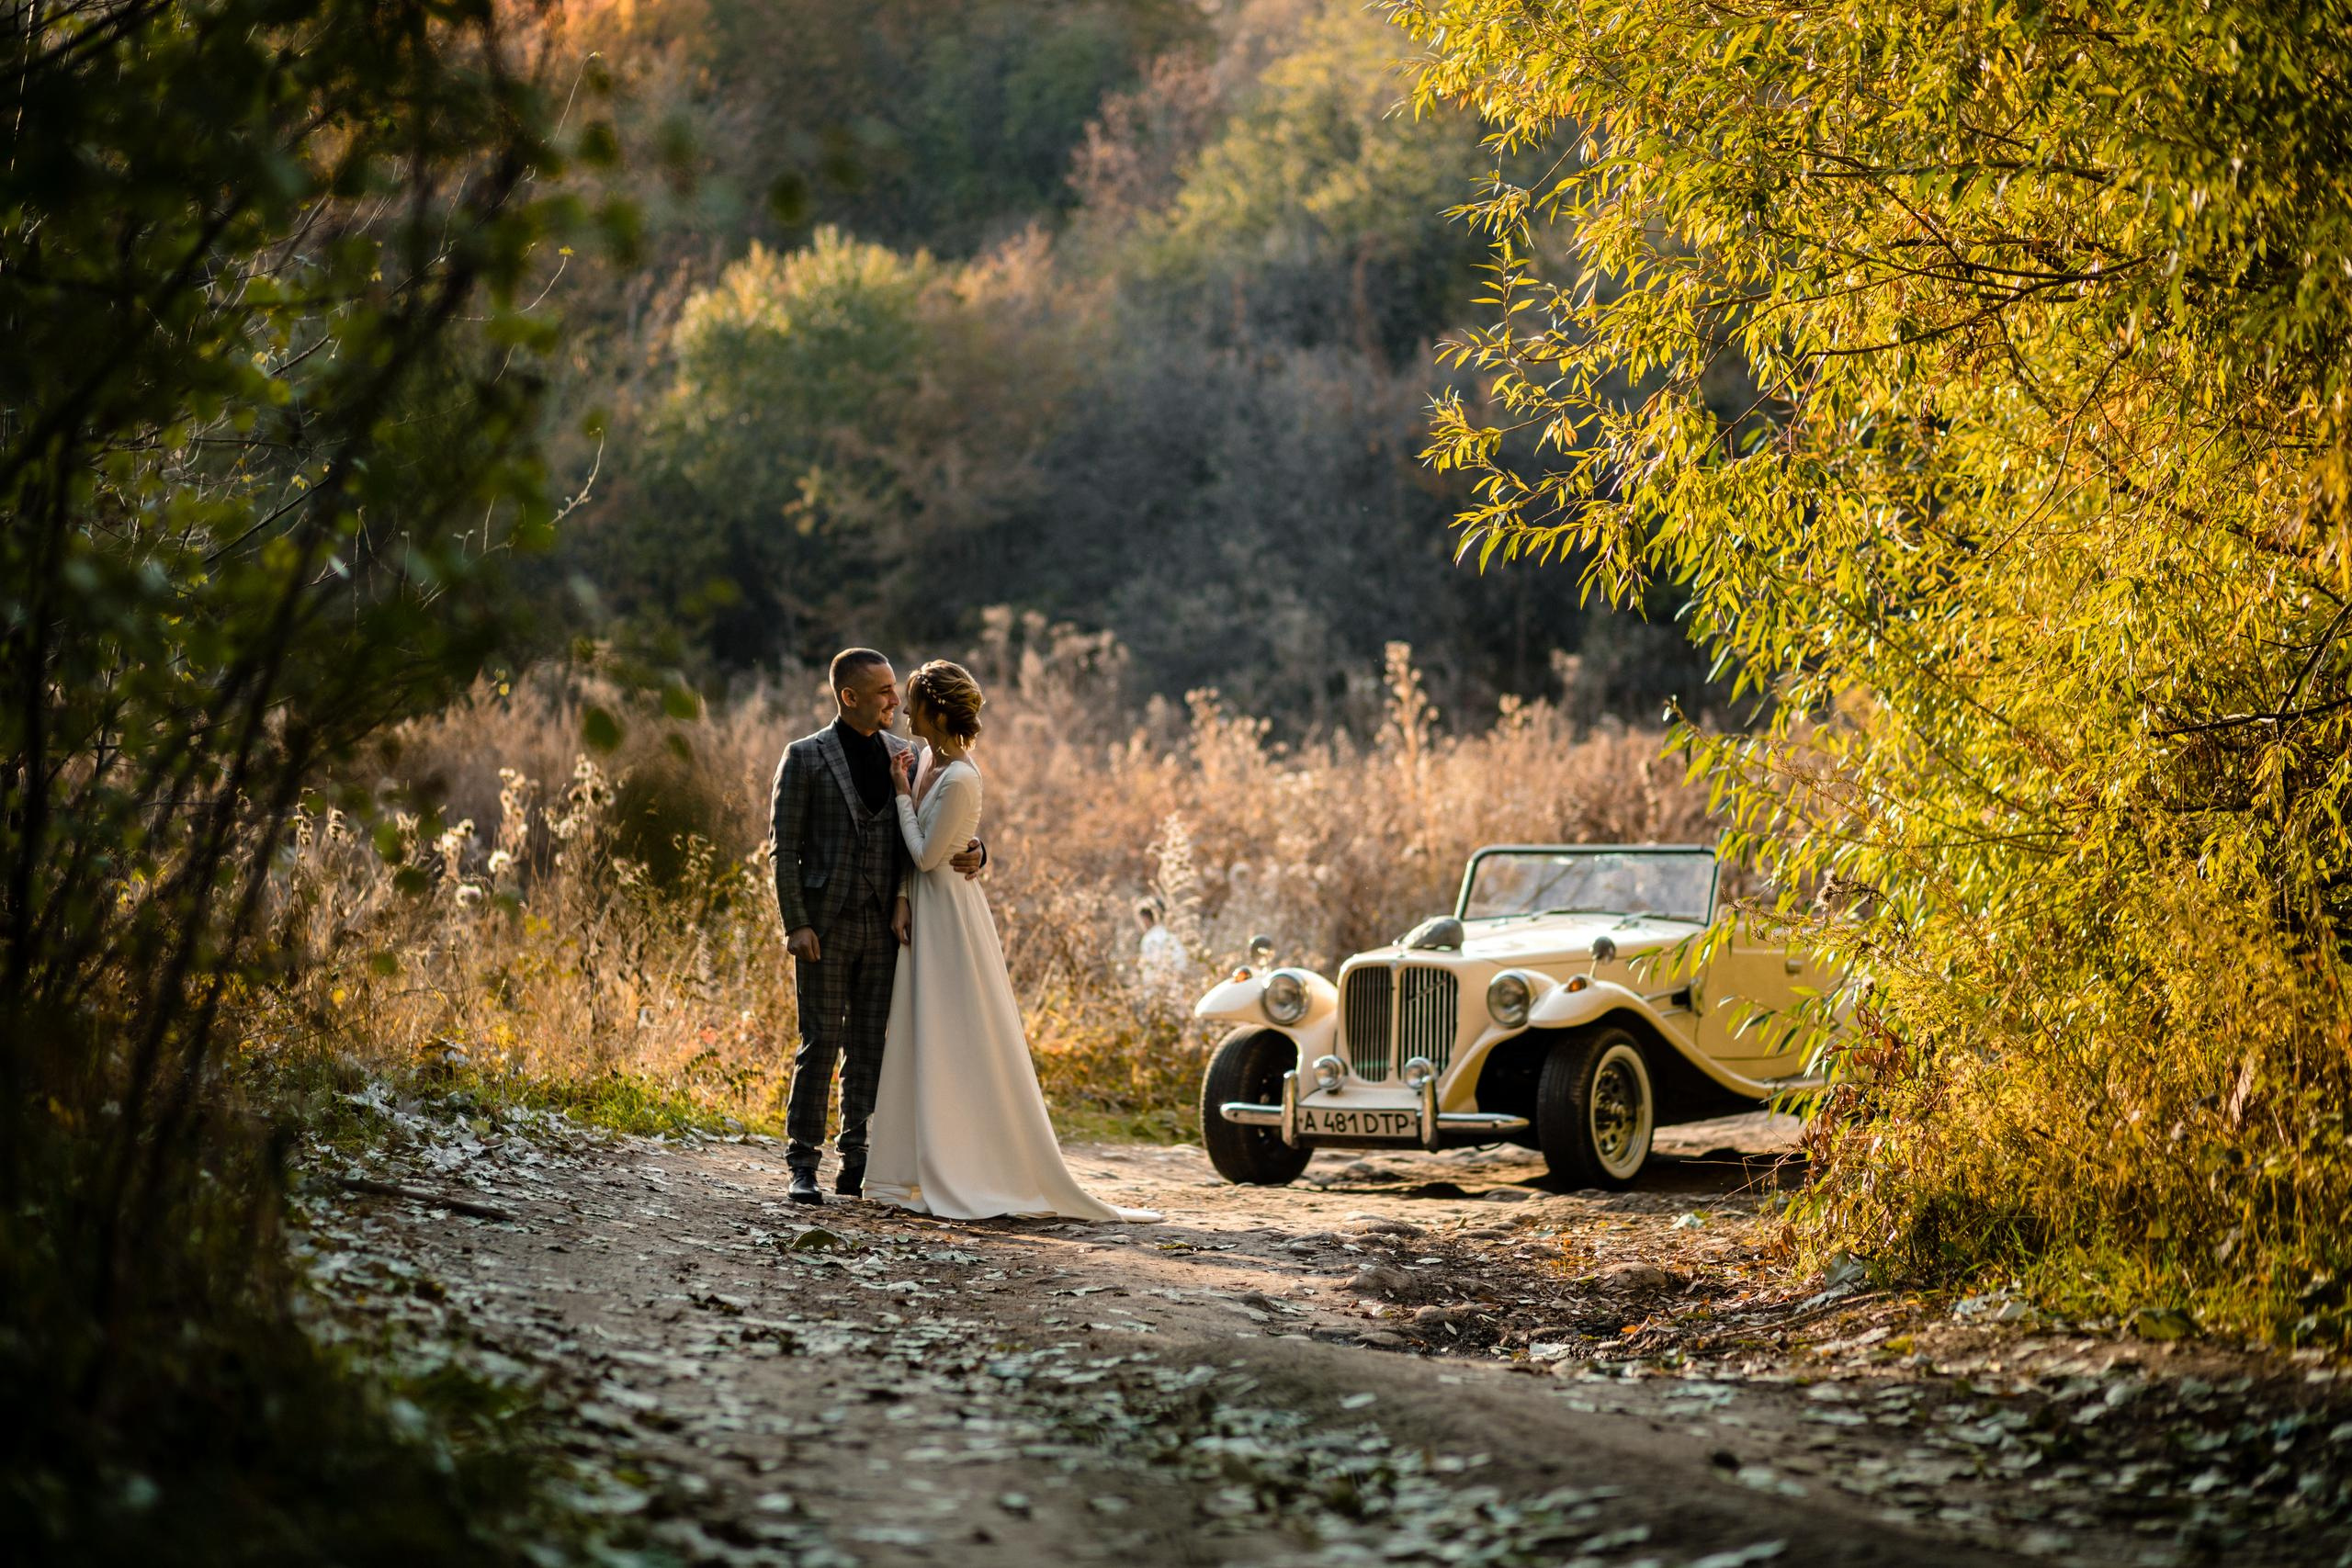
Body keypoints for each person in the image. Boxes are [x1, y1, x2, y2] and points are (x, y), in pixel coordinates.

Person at [864, 660, 1160, 1223]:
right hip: (922, 910)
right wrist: (902, 896)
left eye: (913, 703)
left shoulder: (962, 777)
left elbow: (928, 854)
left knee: (956, 1037)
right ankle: (913, 1167)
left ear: (937, 710)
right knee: (921, 1035)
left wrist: (902, 793)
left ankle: (968, 1167)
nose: (903, 711)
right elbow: (920, 857)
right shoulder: (927, 757)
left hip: (951, 918)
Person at [768, 649, 985, 1206]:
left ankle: (856, 1157)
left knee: (871, 1047)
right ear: (850, 697)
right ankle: (803, 1164)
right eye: (886, 691)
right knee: (819, 1043)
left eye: (896, 689)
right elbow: (784, 849)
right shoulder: (805, 758)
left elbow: (942, 822)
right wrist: (796, 923)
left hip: (888, 928)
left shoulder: (906, 755)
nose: (897, 700)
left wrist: (979, 851)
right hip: (825, 928)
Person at [1136, 900, 1190, 998]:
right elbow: (1182, 962)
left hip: (1157, 990)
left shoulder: (1149, 939)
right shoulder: (1171, 936)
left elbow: (1150, 969)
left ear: (1146, 918)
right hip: (1174, 988)